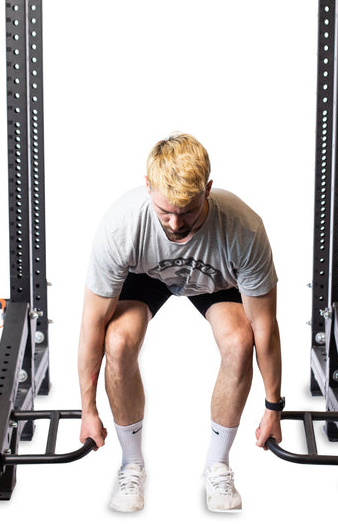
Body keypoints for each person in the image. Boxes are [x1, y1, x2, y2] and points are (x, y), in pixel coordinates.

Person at [77, 133, 283, 513]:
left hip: (215, 279)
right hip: (146, 276)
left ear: (207, 189)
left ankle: (217, 465)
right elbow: (93, 324)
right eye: (164, 212)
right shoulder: (122, 226)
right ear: (147, 187)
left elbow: (265, 327)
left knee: (240, 341)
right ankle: (131, 464)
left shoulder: (243, 229)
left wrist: (274, 407)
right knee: (118, 341)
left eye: (187, 211)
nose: (175, 224)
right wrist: (88, 410)